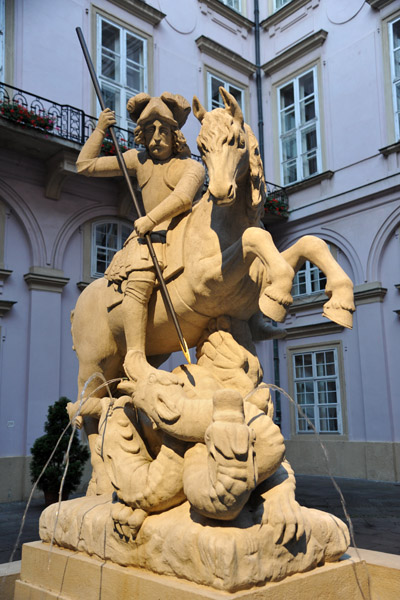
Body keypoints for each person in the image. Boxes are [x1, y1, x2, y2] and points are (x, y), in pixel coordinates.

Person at [76, 92, 205, 382]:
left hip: (182, 237)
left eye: (163, 131)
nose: (157, 137)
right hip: (151, 241)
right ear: (142, 135)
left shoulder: (193, 167)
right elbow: (85, 165)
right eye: (149, 131)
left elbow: (184, 198)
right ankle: (134, 354)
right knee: (140, 275)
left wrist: (149, 218)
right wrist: (99, 130)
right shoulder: (137, 160)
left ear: (175, 135)